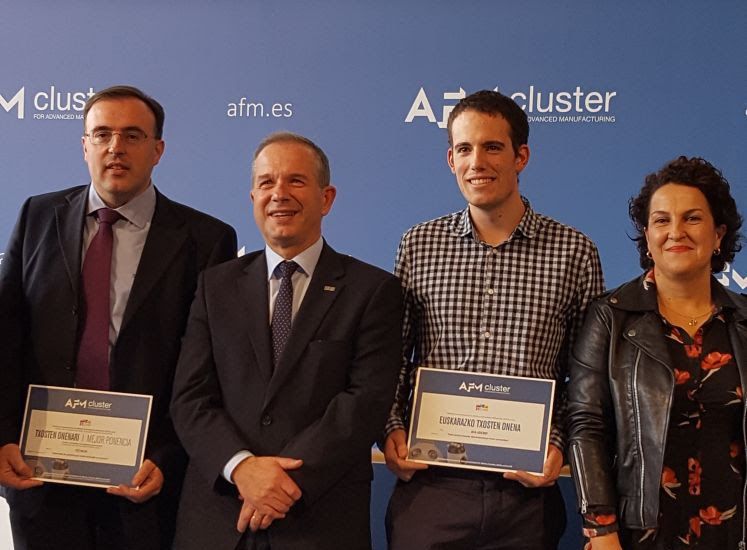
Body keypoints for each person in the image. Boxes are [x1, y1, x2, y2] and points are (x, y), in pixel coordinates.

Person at [0, 85, 237, 550]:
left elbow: (206, 367)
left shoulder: (206, 239)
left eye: (132, 136)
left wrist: (168, 457)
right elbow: (7, 338)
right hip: (40, 474)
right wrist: (3, 436)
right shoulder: (37, 215)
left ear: (158, 150)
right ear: (84, 145)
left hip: (143, 479)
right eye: (102, 134)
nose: (115, 148)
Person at [383, 90, 605, 549]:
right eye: (464, 148)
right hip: (431, 488)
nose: (476, 161)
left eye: (492, 147)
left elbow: (587, 377)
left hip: (525, 496)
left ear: (521, 155)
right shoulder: (419, 245)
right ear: (450, 159)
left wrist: (560, 443)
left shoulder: (575, 252)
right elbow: (388, 356)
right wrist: (392, 429)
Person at [170, 131, 402, 550]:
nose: (279, 194)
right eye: (266, 182)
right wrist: (241, 468)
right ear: (253, 196)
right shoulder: (214, 286)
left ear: (326, 198)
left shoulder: (372, 290)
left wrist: (280, 482)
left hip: (319, 521)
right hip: (218, 519)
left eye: (296, 181)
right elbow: (190, 397)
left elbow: (364, 402)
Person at [567, 156, 746, 549]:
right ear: (647, 236)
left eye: (692, 218)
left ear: (718, 235)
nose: (676, 231)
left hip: (734, 528)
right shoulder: (610, 317)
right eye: (662, 220)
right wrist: (601, 529)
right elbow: (586, 426)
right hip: (640, 532)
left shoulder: (743, 320)